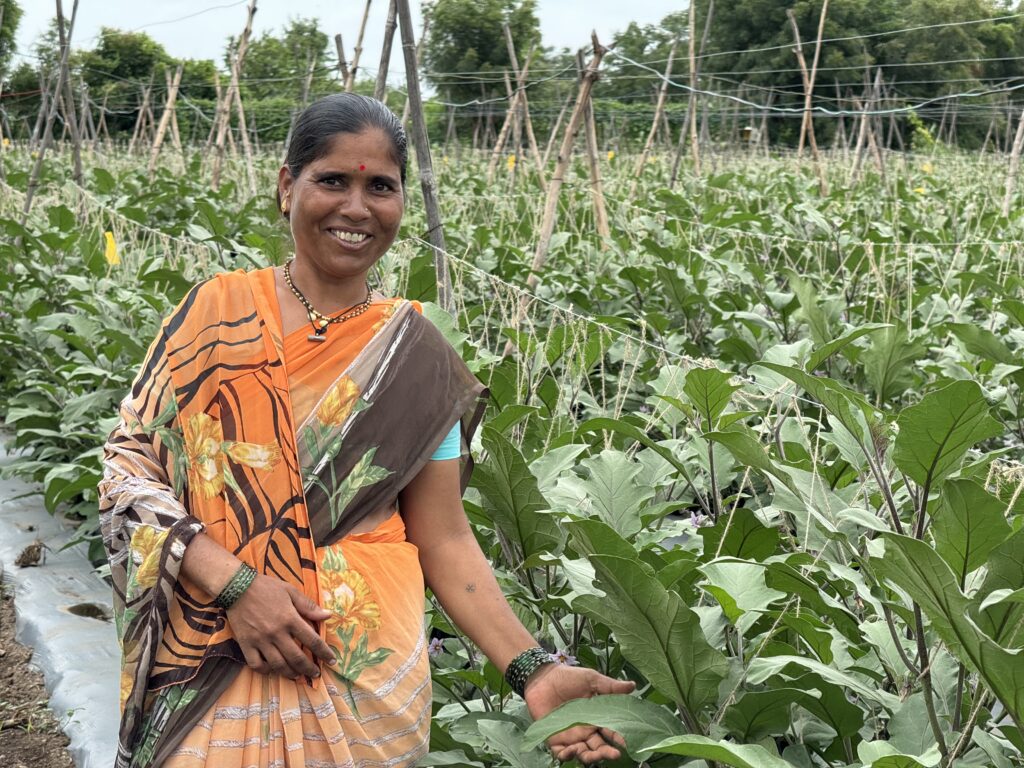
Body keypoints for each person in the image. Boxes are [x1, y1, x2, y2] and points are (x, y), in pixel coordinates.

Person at [99, 92, 634, 768]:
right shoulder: (215, 314)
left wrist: (534, 669)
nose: (356, 208)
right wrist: (236, 586)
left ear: (402, 202)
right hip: (210, 664)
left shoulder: (417, 358)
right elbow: (126, 472)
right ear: (287, 186)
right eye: (332, 180)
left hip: (366, 693)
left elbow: (443, 536)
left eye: (380, 186)